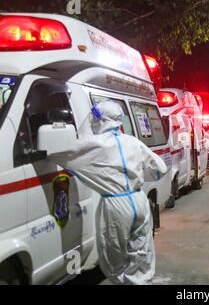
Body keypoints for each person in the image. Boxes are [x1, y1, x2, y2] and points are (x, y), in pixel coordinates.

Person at [50, 101, 168, 285]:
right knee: (142, 253)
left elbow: (59, 154)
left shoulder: (94, 145)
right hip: (139, 200)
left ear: (101, 120)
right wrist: (136, 176)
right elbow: (160, 167)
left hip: (116, 205)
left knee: (112, 257)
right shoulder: (132, 141)